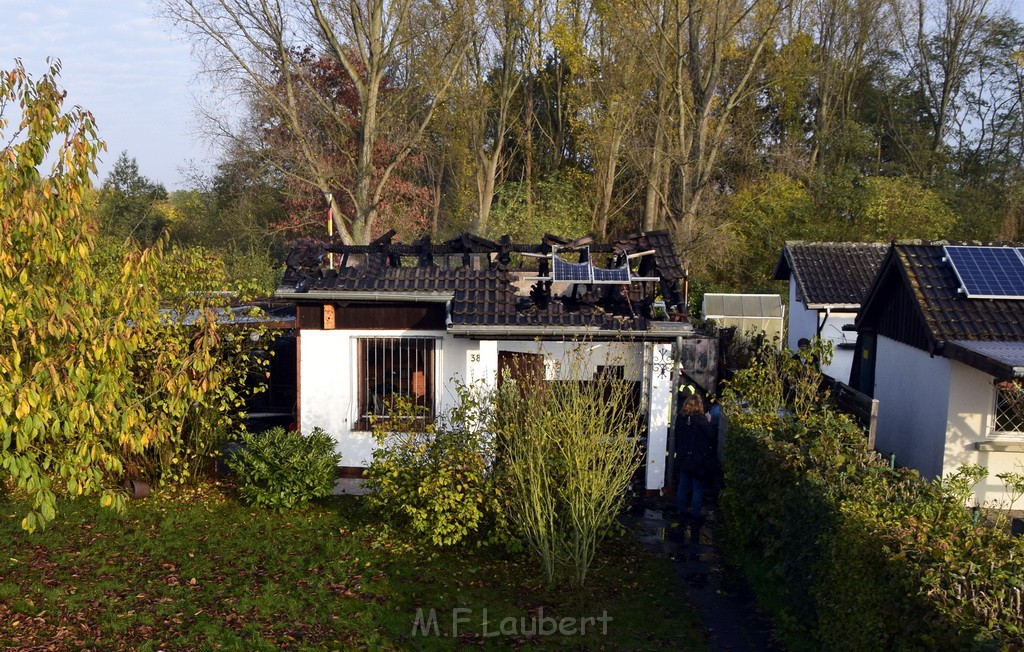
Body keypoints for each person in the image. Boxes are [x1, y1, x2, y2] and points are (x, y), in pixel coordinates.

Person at [675, 394, 717, 523]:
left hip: (684, 457)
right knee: (697, 487)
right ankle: (695, 513)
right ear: (700, 406)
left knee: (683, 485)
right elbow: (711, 438)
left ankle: (681, 510)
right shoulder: (702, 420)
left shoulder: (680, 418)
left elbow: (677, 438)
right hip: (698, 458)